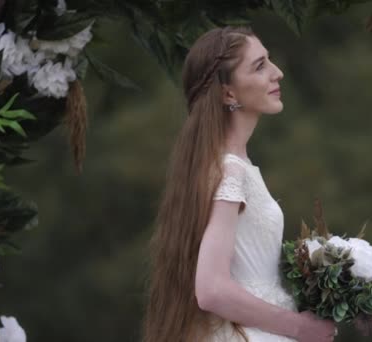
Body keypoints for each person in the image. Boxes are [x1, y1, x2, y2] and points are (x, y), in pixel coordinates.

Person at [142, 26, 337, 342]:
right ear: (228, 93)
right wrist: (300, 327)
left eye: (269, 60)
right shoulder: (229, 170)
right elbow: (211, 290)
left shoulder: (228, 165)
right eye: (260, 66)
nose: (278, 73)